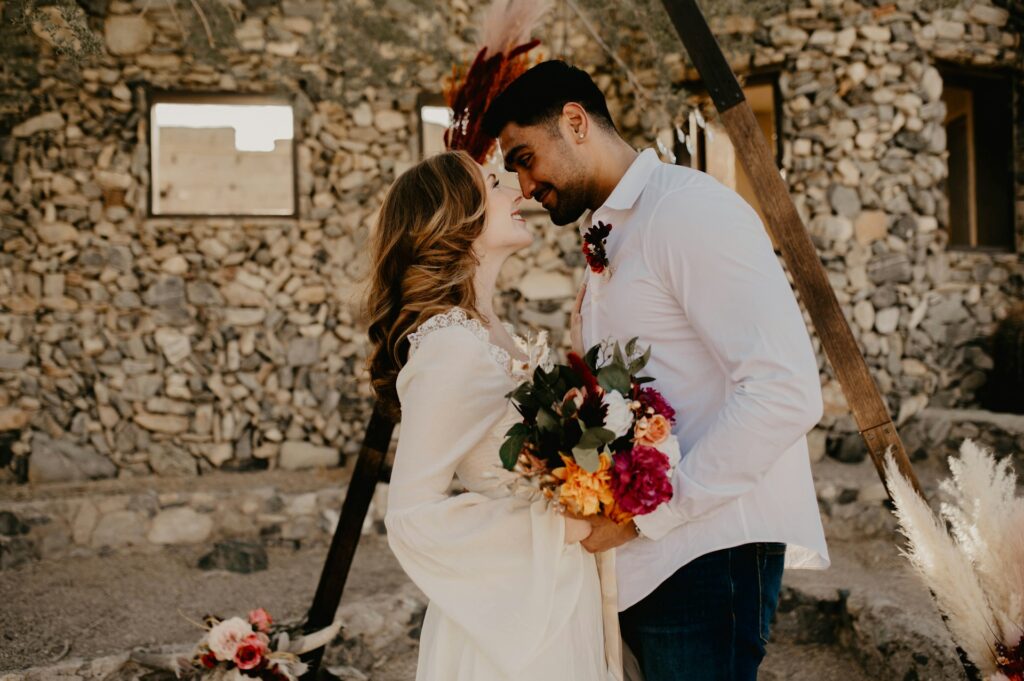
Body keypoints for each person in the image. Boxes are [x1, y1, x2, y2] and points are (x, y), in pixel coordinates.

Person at [483, 60, 830, 680]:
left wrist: (645, 515)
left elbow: (785, 390)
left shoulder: (688, 213)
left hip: (708, 551)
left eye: (524, 157)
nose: (526, 186)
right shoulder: (612, 234)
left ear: (574, 121)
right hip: (654, 558)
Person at [366, 150, 613, 681]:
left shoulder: (490, 331)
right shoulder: (451, 345)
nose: (518, 192)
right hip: (511, 621)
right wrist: (558, 527)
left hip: (555, 593)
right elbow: (411, 516)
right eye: (493, 185)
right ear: (455, 217)